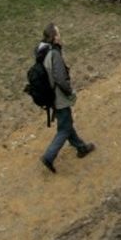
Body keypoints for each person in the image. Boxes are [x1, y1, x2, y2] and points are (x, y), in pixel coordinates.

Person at [38, 23, 95, 174]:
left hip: (51, 96)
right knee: (64, 128)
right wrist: (70, 92)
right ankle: (49, 156)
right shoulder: (54, 54)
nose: (60, 35)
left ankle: (81, 148)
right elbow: (60, 79)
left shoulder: (43, 52)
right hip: (59, 97)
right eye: (58, 33)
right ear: (54, 36)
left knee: (66, 123)